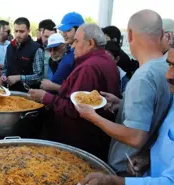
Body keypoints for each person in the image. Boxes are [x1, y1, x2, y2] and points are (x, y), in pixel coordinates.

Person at [76, 9, 172, 173]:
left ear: (130, 35)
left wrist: (93, 117)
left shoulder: (143, 77)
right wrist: (122, 104)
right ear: (162, 33)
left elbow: (136, 137)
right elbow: (154, 110)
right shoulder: (167, 67)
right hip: (152, 163)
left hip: (128, 167)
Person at [79, 36, 174, 185]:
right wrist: (148, 158)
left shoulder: (145, 76)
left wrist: (116, 182)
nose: (168, 75)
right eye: (169, 65)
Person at [29, 23, 120, 161]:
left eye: (76, 41)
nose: (72, 46)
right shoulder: (107, 60)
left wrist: (46, 97)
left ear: (90, 43)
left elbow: (76, 109)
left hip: (81, 140)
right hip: (95, 138)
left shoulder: (89, 67)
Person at [40, 12, 84, 90]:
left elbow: (79, 90)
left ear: (79, 30)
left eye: (67, 30)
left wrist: (53, 87)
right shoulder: (70, 53)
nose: (64, 34)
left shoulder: (81, 54)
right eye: (62, 31)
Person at [2, 17, 44, 92]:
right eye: (16, 31)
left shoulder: (36, 49)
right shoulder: (10, 47)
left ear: (28, 31)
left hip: (28, 93)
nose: (18, 34)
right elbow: (5, 68)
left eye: (21, 31)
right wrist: (3, 75)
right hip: (9, 92)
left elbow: (39, 76)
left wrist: (19, 78)